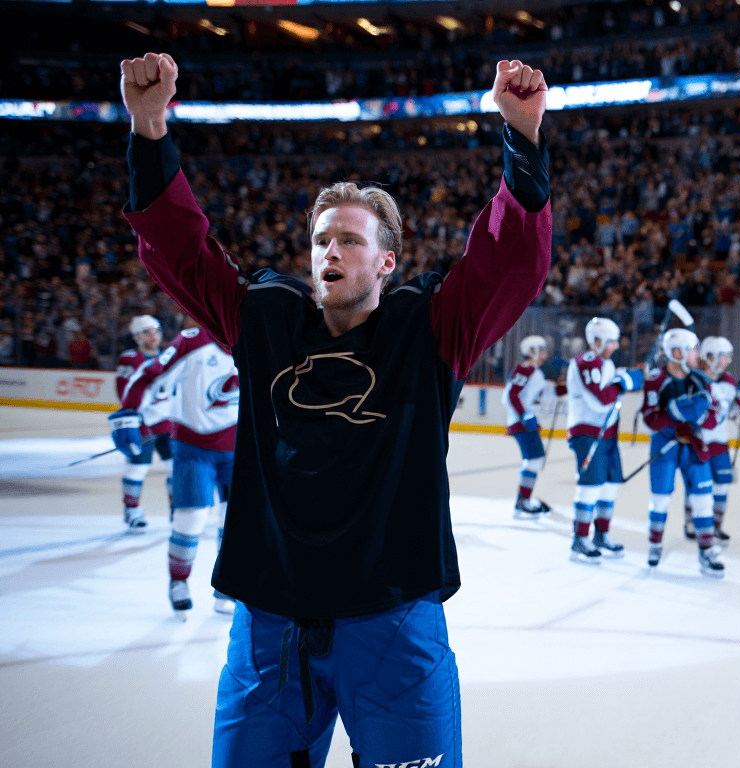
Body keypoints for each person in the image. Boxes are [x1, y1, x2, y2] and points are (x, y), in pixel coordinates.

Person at [119, 51, 551, 767]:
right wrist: (148, 126)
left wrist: (523, 136)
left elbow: (512, 260)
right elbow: (177, 250)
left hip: (394, 622)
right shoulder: (264, 320)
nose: (331, 251)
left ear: (386, 261)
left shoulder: (432, 327)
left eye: (350, 239)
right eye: (322, 239)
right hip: (269, 625)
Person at [116, 319, 239, 617]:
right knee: (191, 518)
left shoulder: (258, 337)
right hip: (193, 447)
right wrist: (130, 414)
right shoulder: (191, 340)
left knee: (235, 522)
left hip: (240, 447)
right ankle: (179, 581)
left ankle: (229, 585)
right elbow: (151, 373)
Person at [640, 329, 724, 576]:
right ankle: (654, 545)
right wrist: (674, 415)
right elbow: (650, 418)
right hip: (665, 446)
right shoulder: (656, 379)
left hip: (694, 445)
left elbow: (713, 417)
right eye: (693, 349)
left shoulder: (699, 379)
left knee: (703, 500)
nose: (697, 354)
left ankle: (706, 552)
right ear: (677, 353)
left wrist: (701, 413)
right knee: (660, 499)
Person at [565, 317, 643, 563]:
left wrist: (623, 379)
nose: (616, 346)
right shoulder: (586, 362)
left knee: (610, 486)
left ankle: (601, 535)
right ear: (596, 341)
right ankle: (580, 539)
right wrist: (623, 383)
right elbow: (599, 400)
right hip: (588, 433)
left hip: (607, 434)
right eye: (612, 341)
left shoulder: (605, 364)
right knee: (590, 487)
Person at [682, 336, 740, 542]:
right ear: (709, 356)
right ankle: (691, 522)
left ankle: (716, 526)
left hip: (720, 443)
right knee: (698, 485)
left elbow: (732, 414)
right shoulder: (694, 380)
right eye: (722, 356)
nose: (727, 360)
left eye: (728, 356)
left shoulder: (729, 382)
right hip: (699, 441)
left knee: (722, 485)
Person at [112, 314, 173, 531]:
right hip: (143, 424)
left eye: (156, 331)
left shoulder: (168, 356)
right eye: (148, 332)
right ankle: (132, 511)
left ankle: (178, 510)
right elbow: (124, 391)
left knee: (175, 468)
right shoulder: (130, 359)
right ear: (138, 337)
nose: (154, 336)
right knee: (138, 468)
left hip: (168, 423)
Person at [503, 334, 554, 517]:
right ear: (532, 351)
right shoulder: (526, 370)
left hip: (525, 420)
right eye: (541, 350)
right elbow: (512, 394)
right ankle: (523, 501)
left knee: (535, 459)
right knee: (534, 459)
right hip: (521, 421)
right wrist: (524, 415)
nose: (544, 354)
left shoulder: (533, 372)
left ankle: (523, 499)